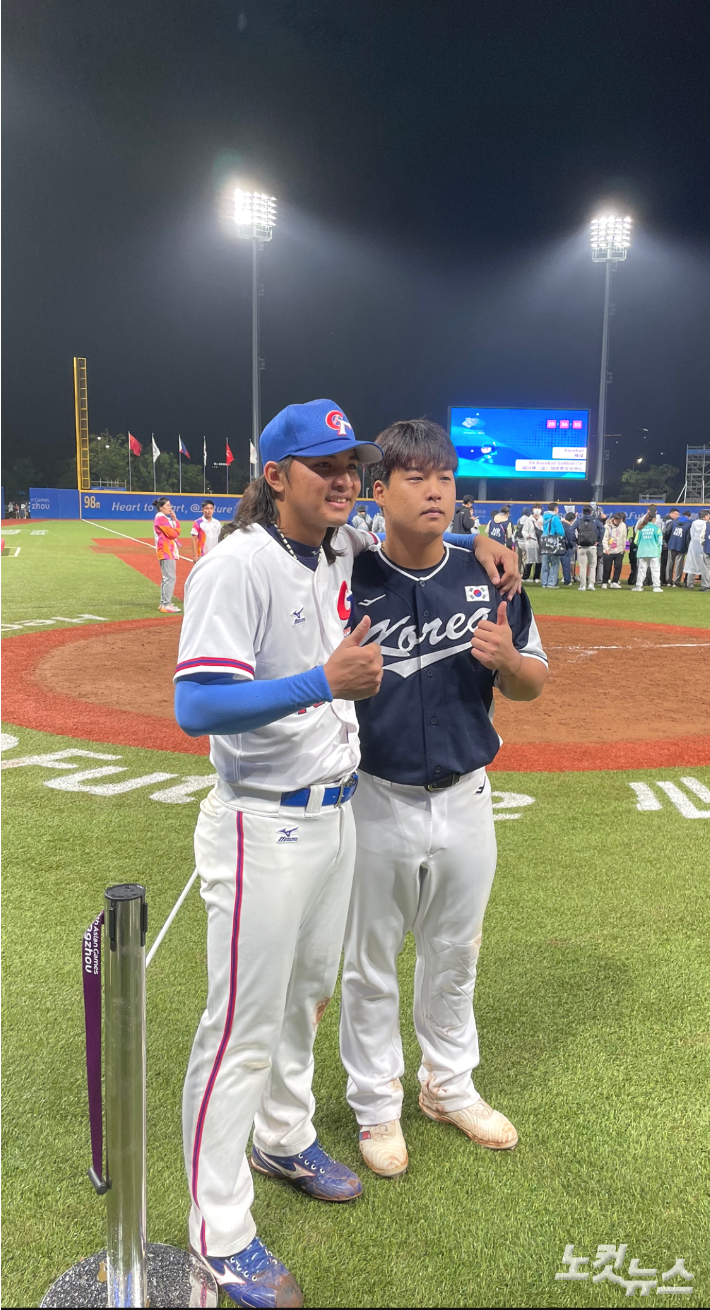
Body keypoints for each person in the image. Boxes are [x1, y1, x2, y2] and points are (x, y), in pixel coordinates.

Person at [172, 399, 520, 1307]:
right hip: (260, 820)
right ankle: (219, 1230)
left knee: (306, 999)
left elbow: (425, 533)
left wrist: (483, 541)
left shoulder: (335, 550)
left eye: (351, 465)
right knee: (239, 1031)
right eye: (322, 464)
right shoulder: (236, 565)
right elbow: (197, 707)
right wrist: (319, 683)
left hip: (333, 817)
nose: (344, 479)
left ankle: (283, 1136)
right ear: (275, 475)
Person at [339, 419, 548, 1179]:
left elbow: (533, 684)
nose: (435, 491)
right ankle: (374, 1105)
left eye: (446, 479)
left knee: (455, 952)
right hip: (374, 795)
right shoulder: (346, 575)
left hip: (466, 795)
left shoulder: (489, 577)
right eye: (417, 477)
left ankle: (448, 1086)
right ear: (379, 490)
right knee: (369, 963)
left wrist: (511, 660)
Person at [153, 497, 182, 613]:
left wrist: (174, 519)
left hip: (166, 550)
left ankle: (164, 603)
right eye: (168, 505)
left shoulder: (163, 518)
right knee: (170, 578)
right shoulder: (161, 518)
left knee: (167, 578)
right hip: (166, 550)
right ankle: (166, 604)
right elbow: (174, 533)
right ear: (161, 507)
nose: (170, 508)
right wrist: (175, 519)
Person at [633, 506, 663, 592]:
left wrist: (642, 545)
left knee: (641, 570)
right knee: (655, 570)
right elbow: (659, 542)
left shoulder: (641, 528)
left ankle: (638, 586)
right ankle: (656, 586)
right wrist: (658, 551)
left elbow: (636, 541)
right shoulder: (657, 529)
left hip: (642, 552)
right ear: (654, 519)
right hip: (654, 552)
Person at [540, 502, 565, 588]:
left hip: (544, 540)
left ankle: (544, 582)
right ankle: (551, 583)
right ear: (555, 509)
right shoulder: (555, 517)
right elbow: (561, 531)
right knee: (554, 563)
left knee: (545, 562)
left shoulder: (544, 517)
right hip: (553, 540)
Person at [576, 503, 600, 591]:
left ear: (582, 512)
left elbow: (571, 530)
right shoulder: (595, 521)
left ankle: (582, 585)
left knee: (582, 566)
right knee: (592, 566)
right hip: (592, 547)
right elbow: (602, 529)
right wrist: (598, 540)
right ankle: (591, 584)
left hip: (582, 546)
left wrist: (576, 541)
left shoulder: (579, 521)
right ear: (591, 512)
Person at [664, 510, 690, 587]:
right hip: (681, 546)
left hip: (672, 545)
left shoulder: (674, 522)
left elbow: (667, 532)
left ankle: (668, 581)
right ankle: (676, 582)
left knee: (669, 563)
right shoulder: (689, 524)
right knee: (679, 565)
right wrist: (686, 547)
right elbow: (688, 537)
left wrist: (668, 541)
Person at [601, 513, 626, 588]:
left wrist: (623, 547)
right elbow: (605, 538)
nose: (619, 523)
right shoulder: (607, 526)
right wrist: (606, 548)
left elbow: (624, 537)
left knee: (618, 566)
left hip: (619, 549)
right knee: (607, 567)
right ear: (614, 519)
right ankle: (605, 582)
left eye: (620, 521)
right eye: (617, 521)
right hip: (609, 550)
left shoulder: (623, 525)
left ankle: (615, 581)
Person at [683, 514, 707, 588]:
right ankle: (704, 585)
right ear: (705, 516)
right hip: (704, 546)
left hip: (693, 546)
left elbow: (690, 535)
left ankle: (689, 584)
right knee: (705, 567)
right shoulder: (707, 524)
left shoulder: (693, 523)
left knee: (691, 566)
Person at [522, 504, 542, 582]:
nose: (537, 510)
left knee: (539, 560)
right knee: (529, 560)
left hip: (539, 542)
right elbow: (524, 530)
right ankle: (526, 576)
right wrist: (527, 535)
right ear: (532, 510)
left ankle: (536, 577)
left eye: (539, 508)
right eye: (535, 508)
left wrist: (541, 526)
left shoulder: (542, 519)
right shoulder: (528, 520)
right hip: (531, 541)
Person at [561, 512, 577, 585]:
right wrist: (574, 545)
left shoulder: (560, 525)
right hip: (566, 547)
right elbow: (571, 539)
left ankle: (552, 580)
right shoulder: (569, 527)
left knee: (554, 565)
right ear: (573, 519)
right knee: (566, 565)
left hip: (556, 547)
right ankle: (567, 580)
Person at [698, 511, 710, 591]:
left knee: (706, 568)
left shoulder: (707, 524)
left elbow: (702, 537)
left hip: (708, 548)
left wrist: (704, 545)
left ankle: (706, 585)